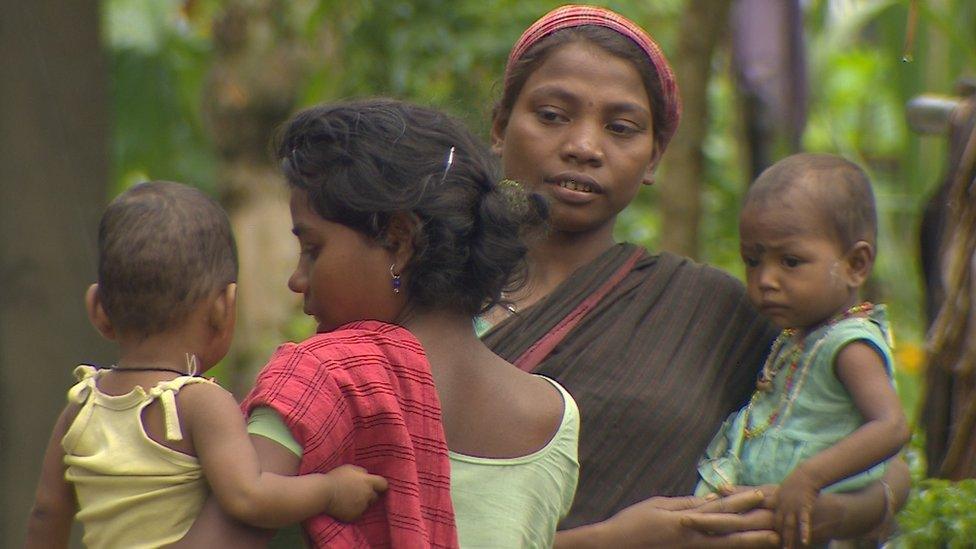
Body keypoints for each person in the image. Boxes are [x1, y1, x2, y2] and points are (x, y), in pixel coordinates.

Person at [479, 4, 909, 547]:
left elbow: (886, 453)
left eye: (621, 127)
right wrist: (614, 541)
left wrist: (838, 514)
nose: (584, 147)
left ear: (654, 156)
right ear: (500, 126)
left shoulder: (711, 312)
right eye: (552, 115)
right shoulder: (421, 294)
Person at [175, 98, 580, 548]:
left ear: (399, 239)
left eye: (313, 249)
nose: (298, 279)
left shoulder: (324, 377)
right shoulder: (554, 419)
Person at [24, 182, 388, 548]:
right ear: (223, 307)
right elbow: (248, 496)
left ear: (98, 310)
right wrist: (330, 490)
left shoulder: (81, 407)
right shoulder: (199, 403)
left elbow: (46, 510)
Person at [695, 154, 910, 545]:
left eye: (790, 261)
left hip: (812, 521)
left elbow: (891, 426)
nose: (766, 280)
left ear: (855, 265)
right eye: (753, 261)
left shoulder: (849, 345)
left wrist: (810, 478)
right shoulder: (800, 335)